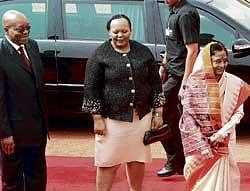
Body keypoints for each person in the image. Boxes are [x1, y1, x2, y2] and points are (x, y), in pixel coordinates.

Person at [82, 14, 165, 191]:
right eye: (116, 31)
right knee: (107, 161)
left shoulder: (143, 51)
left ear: (131, 31)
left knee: (137, 159)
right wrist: (97, 118)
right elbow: (91, 88)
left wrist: (158, 113)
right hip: (111, 121)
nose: (120, 35)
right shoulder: (99, 55)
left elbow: (156, 83)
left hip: (140, 119)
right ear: (109, 32)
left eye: (124, 31)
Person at [179, 42, 250, 191]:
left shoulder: (234, 83)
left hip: (225, 138)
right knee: (200, 181)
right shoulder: (194, 83)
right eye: (217, 61)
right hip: (201, 142)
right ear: (207, 61)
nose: (222, 65)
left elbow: (239, 112)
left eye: (225, 61)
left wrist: (222, 133)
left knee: (226, 179)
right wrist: (203, 143)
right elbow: (188, 117)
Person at [0, 10, 48, 191]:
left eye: (28, 28)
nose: (26, 32)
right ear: (7, 30)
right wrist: (4, 134)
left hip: (37, 130)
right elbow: (0, 99)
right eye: (20, 30)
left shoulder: (32, 46)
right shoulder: (1, 53)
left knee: (37, 178)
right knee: (12, 182)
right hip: (13, 133)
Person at [157, 0, 200, 177]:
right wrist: (163, 65)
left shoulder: (186, 14)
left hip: (180, 76)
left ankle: (175, 160)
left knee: (160, 111)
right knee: (169, 116)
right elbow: (172, 44)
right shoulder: (173, 11)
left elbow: (192, 50)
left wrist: (185, 82)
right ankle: (179, 160)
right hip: (171, 72)